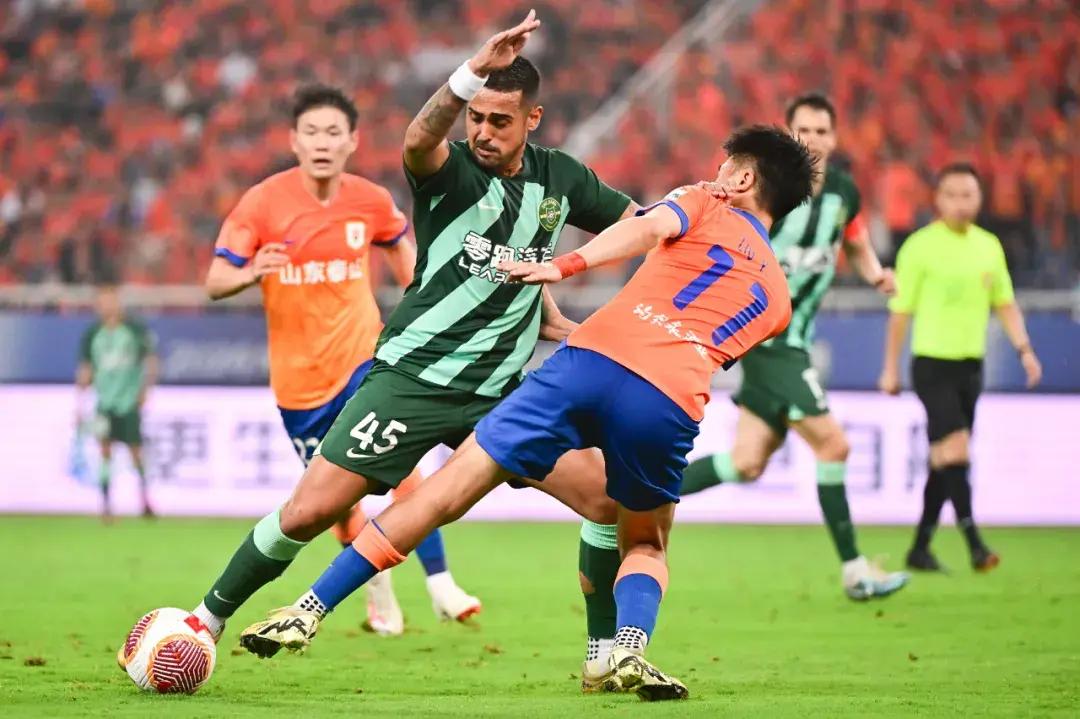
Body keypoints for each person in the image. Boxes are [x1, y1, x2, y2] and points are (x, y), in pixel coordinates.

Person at [238, 124, 814, 702]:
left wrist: (567, 265)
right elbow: (712, 340)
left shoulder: (700, 203)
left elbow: (646, 227)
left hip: (589, 362)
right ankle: (626, 647)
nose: (716, 177)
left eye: (725, 169)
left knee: (445, 490)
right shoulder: (779, 301)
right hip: (668, 399)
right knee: (644, 542)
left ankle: (310, 607)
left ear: (744, 178)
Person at [182, 10, 637, 664]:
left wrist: (609, 275)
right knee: (308, 512)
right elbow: (420, 137)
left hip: (500, 393)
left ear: (532, 119)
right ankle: (206, 620)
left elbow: (641, 225)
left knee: (605, 497)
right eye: (475, 117)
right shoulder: (448, 170)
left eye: (499, 121)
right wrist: (470, 72)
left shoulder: (563, 179)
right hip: (411, 379)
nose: (482, 131)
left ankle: (603, 653)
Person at [196, 84, 480, 640]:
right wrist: (252, 272)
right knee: (334, 506)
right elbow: (215, 280)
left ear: (352, 141)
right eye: (312, 132)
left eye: (333, 133)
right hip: (300, 387)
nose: (322, 143)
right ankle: (379, 588)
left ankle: (441, 583)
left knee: (406, 471)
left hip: (364, 361)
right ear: (294, 141)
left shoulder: (369, 200)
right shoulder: (262, 202)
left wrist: (425, 311)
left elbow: (403, 251)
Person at [679, 94, 909, 600]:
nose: (814, 140)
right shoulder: (772, 193)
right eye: (804, 130)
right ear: (789, 134)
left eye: (823, 131)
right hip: (768, 339)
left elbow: (854, 241)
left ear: (835, 138)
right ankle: (855, 572)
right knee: (834, 445)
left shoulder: (843, 193)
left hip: (795, 340)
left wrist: (876, 274)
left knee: (746, 462)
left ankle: (633, 497)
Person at [879, 162, 1042, 572]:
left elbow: (1005, 302)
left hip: (971, 366)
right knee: (956, 449)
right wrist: (890, 368)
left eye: (967, 195)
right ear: (938, 199)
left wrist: (1024, 349)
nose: (960, 203)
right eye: (951, 195)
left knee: (943, 459)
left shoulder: (989, 246)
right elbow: (901, 311)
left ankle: (920, 548)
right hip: (932, 364)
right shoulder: (919, 246)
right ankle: (975, 545)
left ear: (979, 198)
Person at [76, 285, 158, 521]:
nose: (107, 306)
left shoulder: (133, 330)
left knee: (135, 452)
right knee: (104, 451)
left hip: (128, 402)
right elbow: (86, 368)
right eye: (103, 302)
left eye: (111, 301)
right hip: (104, 403)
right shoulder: (93, 334)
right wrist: (80, 401)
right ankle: (106, 505)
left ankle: (145, 501)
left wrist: (145, 389)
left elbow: (150, 360)